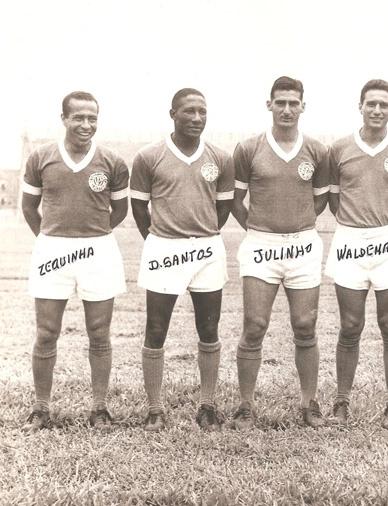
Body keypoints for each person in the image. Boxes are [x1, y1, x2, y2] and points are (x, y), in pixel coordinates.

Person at [21, 91, 129, 432]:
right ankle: (41, 408)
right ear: (64, 118)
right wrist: (50, 238)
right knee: (46, 332)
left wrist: (93, 236)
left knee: (99, 332)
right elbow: (28, 207)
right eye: (79, 118)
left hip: (98, 250)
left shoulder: (112, 161)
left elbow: (120, 209)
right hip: (52, 250)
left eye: (92, 118)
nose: (86, 125)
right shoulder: (41, 157)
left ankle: (99, 408)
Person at [130, 88, 235, 432]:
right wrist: (164, 239)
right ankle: (155, 409)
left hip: (206, 249)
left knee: (208, 328)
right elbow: (139, 208)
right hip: (164, 248)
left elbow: (223, 209)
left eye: (202, 112)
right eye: (189, 111)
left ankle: (207, 406)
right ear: (172, 113)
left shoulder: (220, 157)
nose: (196, 118)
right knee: (156, 329)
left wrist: (200, 234)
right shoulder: (149, 156)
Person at [230, 76, 330, 429]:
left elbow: (319, 199)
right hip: (261, 243)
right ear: (269, 105)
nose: (287, 109)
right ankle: (245, 405)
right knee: (254, 326)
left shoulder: (317, 150)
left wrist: (296, 224)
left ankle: (309, 403)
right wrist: (261, 227)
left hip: (303, 243)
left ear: (303, 106)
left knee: (305, 325)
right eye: (280, 102)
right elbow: (236, 201)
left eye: (293, 102)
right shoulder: (248, 148)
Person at [324, 79, 388, 429]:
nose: (377, 110)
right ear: (360, 106)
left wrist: (386, 228)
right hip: (350, 239)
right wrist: (356, 226)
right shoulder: (340, 148)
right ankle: (341, 402)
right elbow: (334, 199)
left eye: (384, 104)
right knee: (350, 325)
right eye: (371, 104)